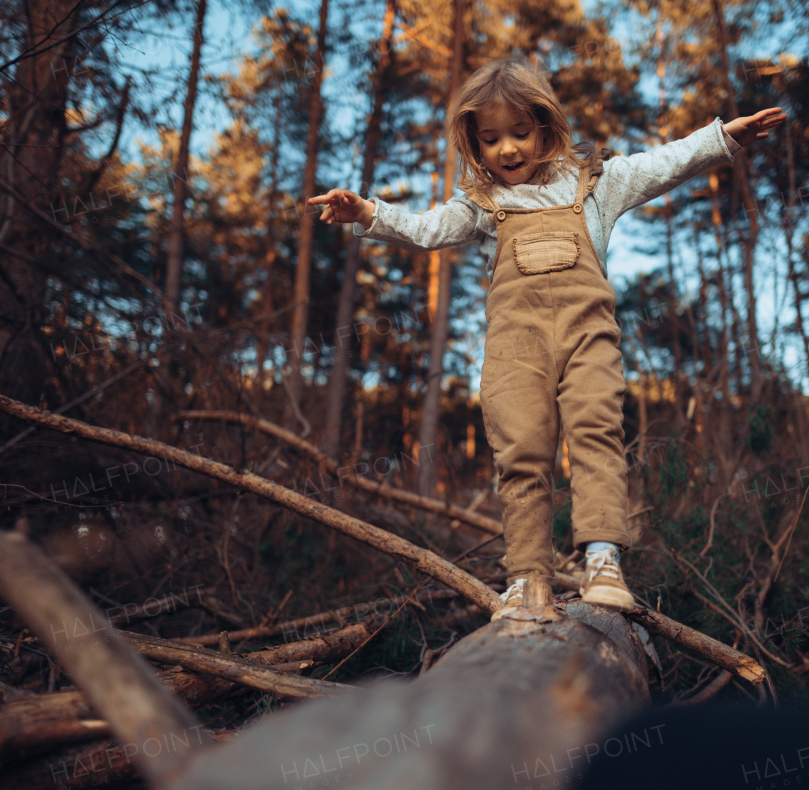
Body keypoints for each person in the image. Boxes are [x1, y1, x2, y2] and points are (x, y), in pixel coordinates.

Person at [310, 58, 783, 620]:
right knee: (522, 454)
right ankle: (527, 578)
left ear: (545, 127)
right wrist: (367, 210)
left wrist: (722, 138)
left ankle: (603, 559)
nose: (507, 149)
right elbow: (424, 230)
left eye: (519, 132)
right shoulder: (481, 207)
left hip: (590, 340)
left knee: (596, 434)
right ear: (474, 144)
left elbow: (664, 163)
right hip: (515, 350)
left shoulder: (595, 186)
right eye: (490, 140)